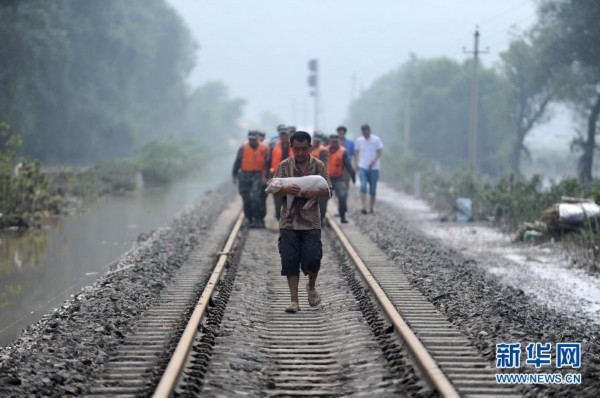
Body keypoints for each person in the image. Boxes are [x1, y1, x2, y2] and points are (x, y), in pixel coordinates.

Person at [273, 130, 332, 313]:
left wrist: (317, 193)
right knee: (290, 260)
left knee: (314, 257)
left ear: (310, 148)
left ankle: (311, 286)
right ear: (291, 147)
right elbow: (274, 193)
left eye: (303, 149)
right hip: (289, 222)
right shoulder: (283, 166)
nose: (299, 153)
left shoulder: (319, 166)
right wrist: (284, 189)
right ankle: (293, 300)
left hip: (311, 221)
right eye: (296, 149)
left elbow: (329, 191)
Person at [232, 130, 268, 228]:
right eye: (250, 139)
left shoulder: (264, 148)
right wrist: (234, 174)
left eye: (254, 139)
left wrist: (265, 176)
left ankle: (259, 219)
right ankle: (250, 219)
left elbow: (267, 162)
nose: (252, 141)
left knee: (255, 198)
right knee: (246, 199)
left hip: (257, 175)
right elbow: (238, 161)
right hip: (244, 175)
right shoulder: (243, 147)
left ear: (257, 139)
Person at [354, 124, 383, 214]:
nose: (365, 134)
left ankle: (371, 207)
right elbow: (357, 153)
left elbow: (379, 152)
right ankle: (363, 206)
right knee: (363, 186)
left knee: (373, 189)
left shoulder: (376, 140)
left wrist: (373, 161)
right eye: (363, 133)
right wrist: (357, 163)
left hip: (374, 168)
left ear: (369, 131)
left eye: (366, 132)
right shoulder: (359, 140)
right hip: (363, 166)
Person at [327, 134, 355, 223]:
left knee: (343, 196)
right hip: (326, 179)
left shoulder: (343, 152)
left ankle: (342, 216)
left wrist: (353, 176)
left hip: (338, 178)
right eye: (332, 142)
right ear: (330, 142)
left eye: (335, 141)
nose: (334, 143)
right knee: (320, 198)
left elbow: (348, 165)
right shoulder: (324, 150)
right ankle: (321, 218)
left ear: (338, 142)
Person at [266, 126, 292, 220]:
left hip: (290, 176)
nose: (283, 136)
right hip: (277, 175)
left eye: (285, 134)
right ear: (280, 136)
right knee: (277, 197)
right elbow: (268, 161)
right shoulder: (274, 146)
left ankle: (288, 217)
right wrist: (267, 175)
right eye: (282, 135)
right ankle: (278, 215)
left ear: (288, 135)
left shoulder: (295, 147)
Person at [310, 133, 329, 223]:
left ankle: (321, 218)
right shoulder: (309, 149)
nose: (315, 141)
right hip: (309, 178)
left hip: (320, 178)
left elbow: (324, 164)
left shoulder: (323, 150)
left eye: (317, 140)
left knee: (322, 200)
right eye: (314, 140)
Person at [336, 126, 355, 193]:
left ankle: (345, 196)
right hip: (337, 166)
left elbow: (353, 154)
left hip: (347, 166)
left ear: (345, 133)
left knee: (346, 182)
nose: (341, 135)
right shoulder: (334, 143)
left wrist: (353, 166)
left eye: (342, 133)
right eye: (339, 133)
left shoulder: (350, 143)